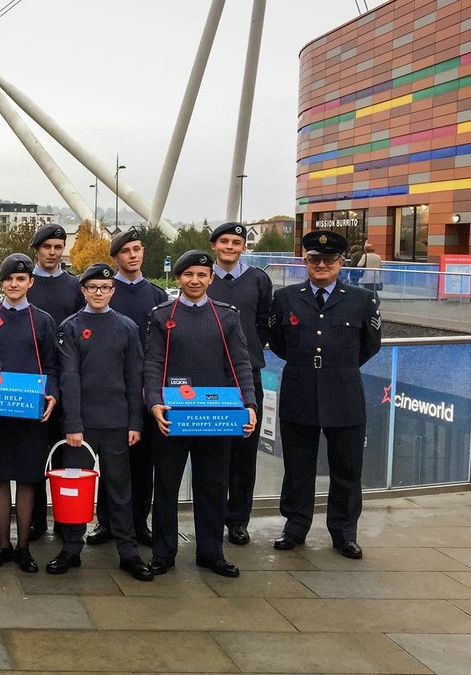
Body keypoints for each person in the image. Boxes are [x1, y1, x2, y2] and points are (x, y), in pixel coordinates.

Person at [269, 230, 381, 560]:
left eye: (329, 259)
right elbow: (278, 342)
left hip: (344, 395)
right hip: (300, 392)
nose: (321, 265)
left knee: (347, 469)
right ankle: (295, 526)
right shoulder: (286, 297)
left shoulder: (361, 299)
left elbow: (369, 346)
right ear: (305, 261)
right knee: (298, 466)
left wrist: (337, 366)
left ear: (341, 262)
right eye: (314, 259)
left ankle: (344, 532)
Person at [144, 250, 257, 578]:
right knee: (165, 487)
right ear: (178, 278)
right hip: (172, 416)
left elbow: (239, 364)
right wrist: (154, 403)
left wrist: (248, 405)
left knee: (213, 485)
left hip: (216, 416)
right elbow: (152, 363)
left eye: (202, 275)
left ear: (210, 279)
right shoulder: (162, 315)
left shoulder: (226, 316)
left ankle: (211, 551)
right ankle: (164, 553)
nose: (195, 281)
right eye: (188, 275)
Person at [54, 263, 154, 581]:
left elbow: (134, 375)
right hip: (81, 425)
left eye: (105, 287)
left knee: (120, 491)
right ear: (83, 290)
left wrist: (135, 423)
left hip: (117, 423)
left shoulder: (126, 327)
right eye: (92, 287)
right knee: (75, 489)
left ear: (113, 291)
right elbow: (69, 378)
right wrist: (72, 424)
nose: (99, 293)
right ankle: (71, 548)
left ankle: (128, 552)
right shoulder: (69, 327)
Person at [0, 253, 59, 573]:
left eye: (21, 279)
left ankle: (23, 547)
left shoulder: (44, 320)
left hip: (29, 413)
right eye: (9, 278)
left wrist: (52, 395)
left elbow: (51, 367)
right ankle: (2, 545)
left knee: (26, 478)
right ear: (1, 282)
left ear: (30, 283)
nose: (14, 284)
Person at [85, 228, 166, 549]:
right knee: (109, 462)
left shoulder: (156, 296)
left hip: (144, 389)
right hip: (107, 390)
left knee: (142, 462)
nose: (133, 255)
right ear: (116, 258)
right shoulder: (103, 289)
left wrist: (152, 388)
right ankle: (106, 522)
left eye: (137, 249)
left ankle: (138, 522)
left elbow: (161, 347)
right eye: (126, 251)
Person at [207, 222, 273, 546]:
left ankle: (238, 521)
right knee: (214, 454)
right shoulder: (203, 278)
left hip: (248, 377)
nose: (230, 247)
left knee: (245, 455)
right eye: (224, 241)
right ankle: (213, 516)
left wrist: (248, 352)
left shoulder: (259, 280)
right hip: (210, 381)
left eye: (236, 242)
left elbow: (264, 323)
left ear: (244, 248)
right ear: (214, 246)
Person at [25, 224, 83, 538]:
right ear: (37, 248)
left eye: (58, 246)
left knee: (64, 454)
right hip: (30, 380)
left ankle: (64, 518)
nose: (52, 252)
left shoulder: (75, 286)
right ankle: (34, 519)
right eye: (47, 246)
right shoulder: (26, 283)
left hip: (66, 377)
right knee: (34, 455)